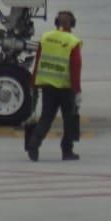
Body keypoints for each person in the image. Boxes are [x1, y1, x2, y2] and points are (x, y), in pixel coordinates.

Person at [25, 10, 82, 162]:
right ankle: (67, 151)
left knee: (46, 118)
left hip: (47, 86)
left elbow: (38, 61)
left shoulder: (46, 37)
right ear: (72, 24)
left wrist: (34, 83)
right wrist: (77, 91)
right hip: (66, 87)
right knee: (69, 120)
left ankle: (33, 144)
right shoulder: (72, 41)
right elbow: (75, 67)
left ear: (56, 23)